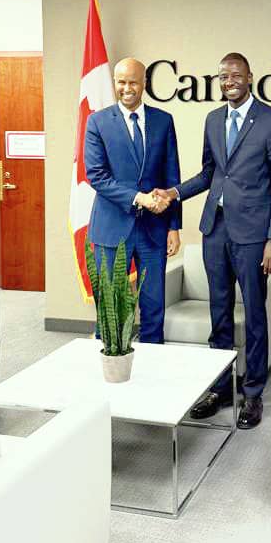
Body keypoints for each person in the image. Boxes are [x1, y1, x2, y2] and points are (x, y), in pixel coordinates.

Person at [155, 53, 271, 428]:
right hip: (215, 230)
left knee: (255, 313)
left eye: (235, 75)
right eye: (223, 76)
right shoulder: (214, 119)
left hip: (253, 235)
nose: (229, 81)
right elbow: (210, 174)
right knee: (219, 312)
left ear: (249, 77)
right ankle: (221, 387)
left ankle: (253, 393)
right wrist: (174, 193)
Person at [85, 57, 181, 344]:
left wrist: (174, 226)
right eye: (121, 82)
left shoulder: (163, 121)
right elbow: (97, 176)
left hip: (154, 229)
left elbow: (172, 176)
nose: (127, 88)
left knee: (154, 305)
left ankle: (153, 361)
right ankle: (109, 364)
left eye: (133, 82)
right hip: (112, 227)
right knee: (110, 307)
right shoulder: (97, 122)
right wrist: (139, 198)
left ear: (145, 83)